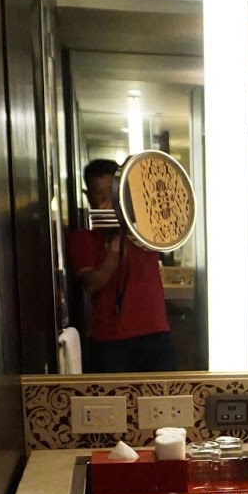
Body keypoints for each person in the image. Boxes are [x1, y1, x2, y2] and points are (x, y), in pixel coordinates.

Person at [67, 158, 176, 372]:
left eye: (114, 194)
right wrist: (113, 252)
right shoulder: (83, 239)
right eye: (100, 196)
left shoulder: (145, 231)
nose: (109, 202)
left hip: (155, 333)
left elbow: (171, 216)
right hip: (110, 340)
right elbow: (91, 284)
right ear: (88, 196)